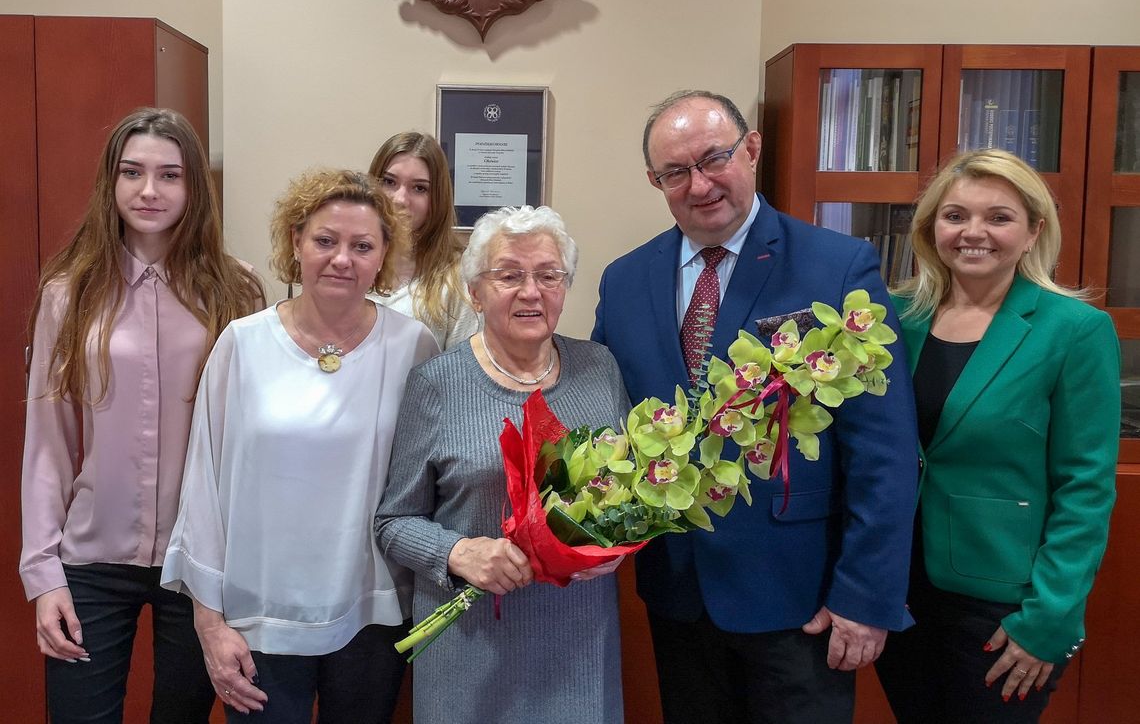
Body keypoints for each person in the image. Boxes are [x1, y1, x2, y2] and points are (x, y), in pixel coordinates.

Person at [591, 90, 920, 724]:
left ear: (753, 149)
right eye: (676, 172)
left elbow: (882, 449)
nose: (701, 184)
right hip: (677, 589)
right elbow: (611, 418)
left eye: (716, 158)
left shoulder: (837, 266)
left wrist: (866, 595)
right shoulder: (625, 279)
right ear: (655, 180)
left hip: (801, 593)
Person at [161, 169, 439, 723]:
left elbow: (428, 482)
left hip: (373, 615)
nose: (343, 259)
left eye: (363, 246)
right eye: (325, 241)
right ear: (296, 242)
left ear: (384, 256)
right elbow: (203, 488)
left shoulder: (414, 346)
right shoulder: (242, 344)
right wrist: (210, 624)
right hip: (259, 618)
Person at [20, 107, 265, 724]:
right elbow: (48, 444)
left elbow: (248, 443)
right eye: (133, 172)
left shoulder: (237, 293)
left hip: (200, 564)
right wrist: (44, 575)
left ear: (193, 189)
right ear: (112, 182)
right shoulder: (68, 294)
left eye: (170, 175)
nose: (149, 191)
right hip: (92, 558)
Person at [874, 149, 1120, 723]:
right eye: (955, 215)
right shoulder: (895, 318)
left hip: (1004, 607)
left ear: (1034, 230)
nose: (972, 232)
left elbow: (1085, 489)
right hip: (899, 593)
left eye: (998, 217)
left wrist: (1049, 620)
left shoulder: (1076, 330)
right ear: (932, 227)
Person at [375, 206, 627, 724]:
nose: (531, 291)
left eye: (548, 275)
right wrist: (457, 551)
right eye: (509, 275)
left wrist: (619, 544)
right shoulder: (436, 384)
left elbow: (632, 489)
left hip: (578, 640)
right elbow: (392, 523)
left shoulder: (599, 367)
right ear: (475, 291)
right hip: (470, 649)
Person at [368, 131, 479, 350]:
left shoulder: (459, 277)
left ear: (436, 200)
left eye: (419, 188)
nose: (400, 199)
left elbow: (464, 375)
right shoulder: (348, 260)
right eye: (389, 182)